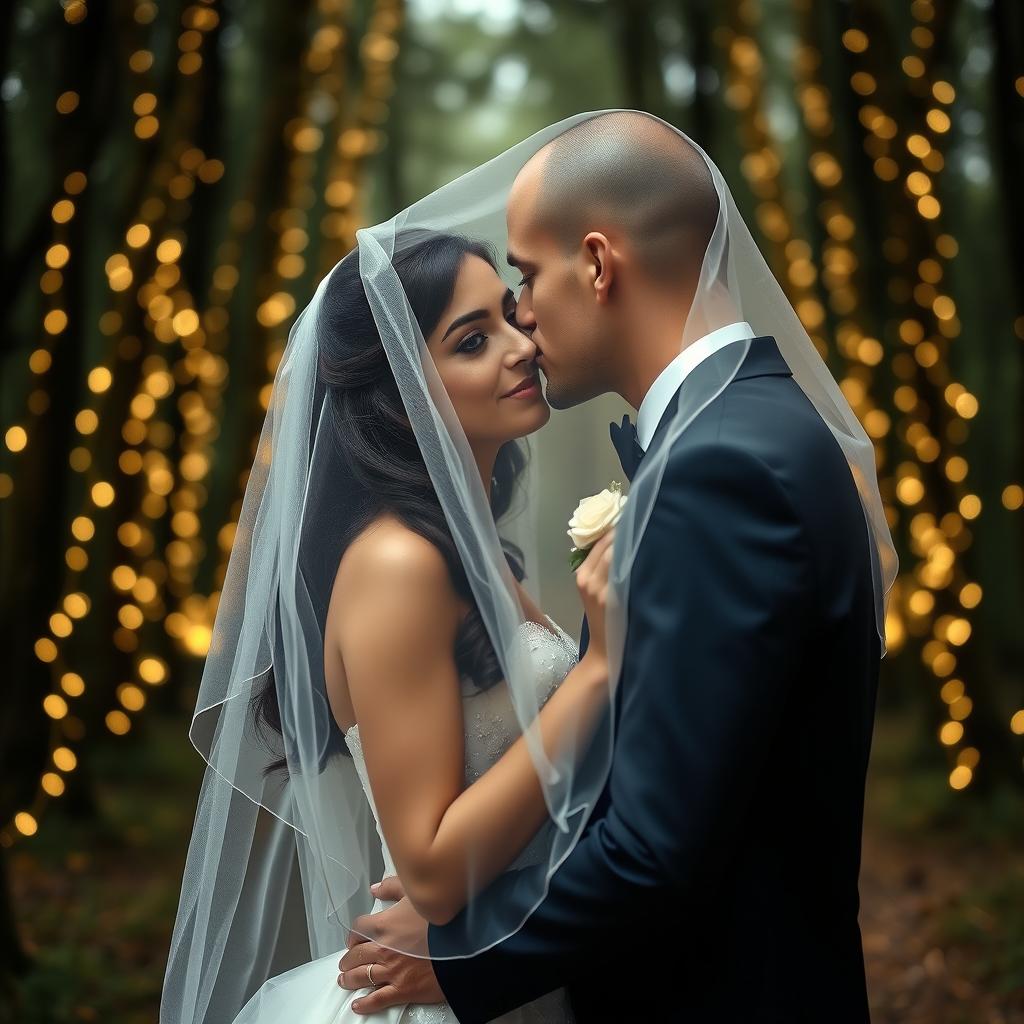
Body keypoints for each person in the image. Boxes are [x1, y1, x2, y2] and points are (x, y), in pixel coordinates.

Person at [336, 111, 896, 1022]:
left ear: (597, 265)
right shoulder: (747, 431)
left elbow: (657, 844)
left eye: (525, 275)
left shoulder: (722, 464)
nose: (521, 313)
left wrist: (462, 956)